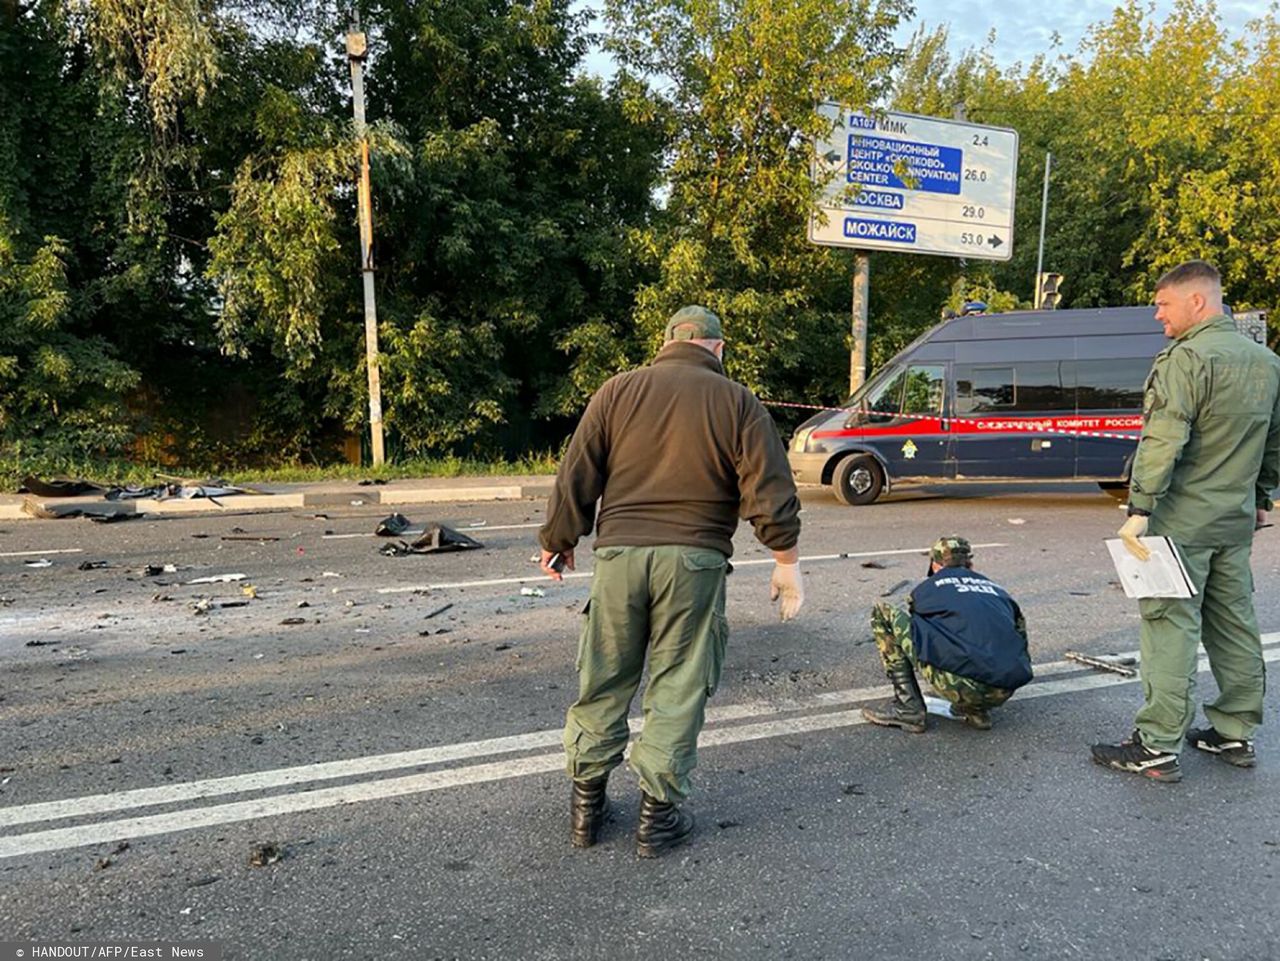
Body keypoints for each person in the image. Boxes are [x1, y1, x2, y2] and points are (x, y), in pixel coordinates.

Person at [538, 305, 803, 857]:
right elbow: (769, 488)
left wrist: (559, 540)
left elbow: (577, 472)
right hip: (695, 559)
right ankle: (655, 820)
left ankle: (586, 809)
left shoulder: (616, 391)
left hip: (618, 557)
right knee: (678, 684)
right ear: (719, 348)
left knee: (605, 676)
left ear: (664, 344)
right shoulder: (738, 402)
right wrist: (785, 559)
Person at [1093, 260, 1280, 782]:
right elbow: (1274, 441)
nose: (1158, 315)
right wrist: (1262, 495)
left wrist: (1140, 508)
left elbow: (1163, 438)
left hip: (1181, 522)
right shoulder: (1266, 362)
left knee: (1169, 625)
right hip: (1234, 519)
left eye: (1164, 304)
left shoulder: (1187, 359)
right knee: (1234, 622)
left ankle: (1156, 744)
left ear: (1197, 302)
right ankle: (1234, 731)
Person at [862, 536, 1031, 733]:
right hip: (1003, 689)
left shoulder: (929, 587)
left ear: (934, 564)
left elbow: (919, 622)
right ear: (970, 563)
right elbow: (1019, 635)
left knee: (884, 611)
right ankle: (976, 711)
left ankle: (908, 709)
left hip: (958, 684)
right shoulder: (997, 590)